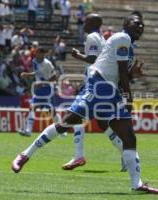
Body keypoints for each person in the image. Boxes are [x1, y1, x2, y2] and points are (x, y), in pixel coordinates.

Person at [12, 13, 158, 194]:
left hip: (110, 89)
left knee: (129, 136)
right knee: (66, 122)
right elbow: (121, 71)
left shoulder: (128, 43)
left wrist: (131, 74)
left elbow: (118, 72)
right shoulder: (122, 38)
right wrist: (128, 97)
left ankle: (136, 185)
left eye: (142, 25)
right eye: (136, 23)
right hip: (98, 86)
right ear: (125, 24)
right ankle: (24, 155)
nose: (141, 26)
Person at [62, 14, 125, 171]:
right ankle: (126, 154)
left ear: (92, 23)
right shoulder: (102, 37)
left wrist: (78, 56)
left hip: (97, 83)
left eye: (86, 20)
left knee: (76, 117)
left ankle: (78, 156)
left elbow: (93, 59)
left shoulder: (91, 37)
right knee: (103, 124)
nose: (83, 23)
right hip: (105, 84)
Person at [17, 47, 64, 137]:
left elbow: (55, 76)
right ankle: (28, 131)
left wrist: (44, 83)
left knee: (52, 111)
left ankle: (61, 130)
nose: (42, 54)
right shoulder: (34, 61)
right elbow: (36, 72)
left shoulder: (47, 63)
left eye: (43, 53)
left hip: (47, 89)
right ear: (36, 53)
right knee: (32, 108)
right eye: (40, 52)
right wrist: (27, 74)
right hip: (38, 90)